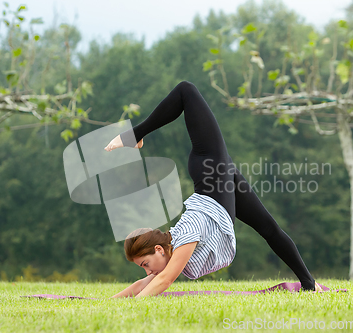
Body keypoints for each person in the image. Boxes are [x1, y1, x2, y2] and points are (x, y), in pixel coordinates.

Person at [105, 81, 322, 298]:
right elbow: (141, 286)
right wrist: (108, 303)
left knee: (186, 90)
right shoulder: (173, 249)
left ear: (159, 250)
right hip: (215, 186)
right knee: (269, 229)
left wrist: (133, 306)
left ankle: (135, 136)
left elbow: (165, 281)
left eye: (145, 264)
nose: (147, 270)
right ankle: (309, 284)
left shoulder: (182, 240)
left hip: (211, 175)